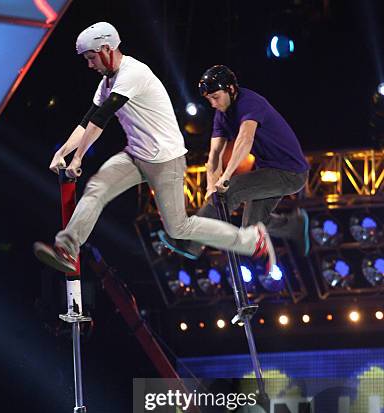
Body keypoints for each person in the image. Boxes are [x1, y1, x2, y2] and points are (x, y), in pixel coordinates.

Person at [33, 24, 275, 273]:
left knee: (178, 228)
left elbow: (102, 118)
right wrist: (63, 152)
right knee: (97, 187)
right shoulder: (106, 83)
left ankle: (251, 240)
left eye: (91, 58)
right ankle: (67, 248)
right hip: (136, 155)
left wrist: (78, 158)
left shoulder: (133, 73)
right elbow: (88, 121)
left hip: (165, 160)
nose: (90, 65)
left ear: (106, 49)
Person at [161, 64, 310, 260]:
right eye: (209, 100)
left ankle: (190, 241)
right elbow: (214, 154)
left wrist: (226, 177)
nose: (213, 104)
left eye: (215, 97)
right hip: (270, 172)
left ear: (231, 89)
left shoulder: (250, 103)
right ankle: (293, 227)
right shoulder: (221, 115)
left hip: (290, 173)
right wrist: (211, 186)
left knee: (230, 191)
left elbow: (245, 140)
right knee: (251, 230)